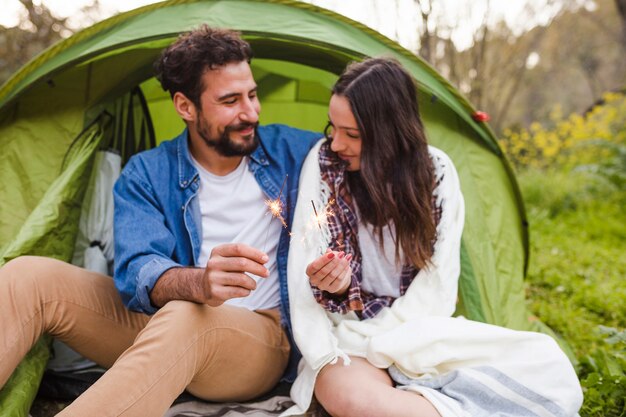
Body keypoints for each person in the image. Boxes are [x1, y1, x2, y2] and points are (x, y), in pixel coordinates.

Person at [0, 26, 319, 416]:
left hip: (258, 339)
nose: (250, 112)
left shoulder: (294, 151)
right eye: (230, 100)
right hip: (162, 322)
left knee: (187, 313)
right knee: (29, 276)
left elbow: (375, 154)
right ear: (185, 106)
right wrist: (201, 282)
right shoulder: (148, 173)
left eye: (252, 95)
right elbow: (138, 271)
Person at [283, 58, 583, 417]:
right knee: (352, 399)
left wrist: (385, 342)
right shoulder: (324, 165)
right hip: (345, 338)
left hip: (418, 332)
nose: (336, 144)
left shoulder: (435, 173)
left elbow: (437, 289)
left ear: (389, 134)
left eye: (353, 134)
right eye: (333, 128)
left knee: (544, 364)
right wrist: (334, 288)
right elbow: (306, 270)